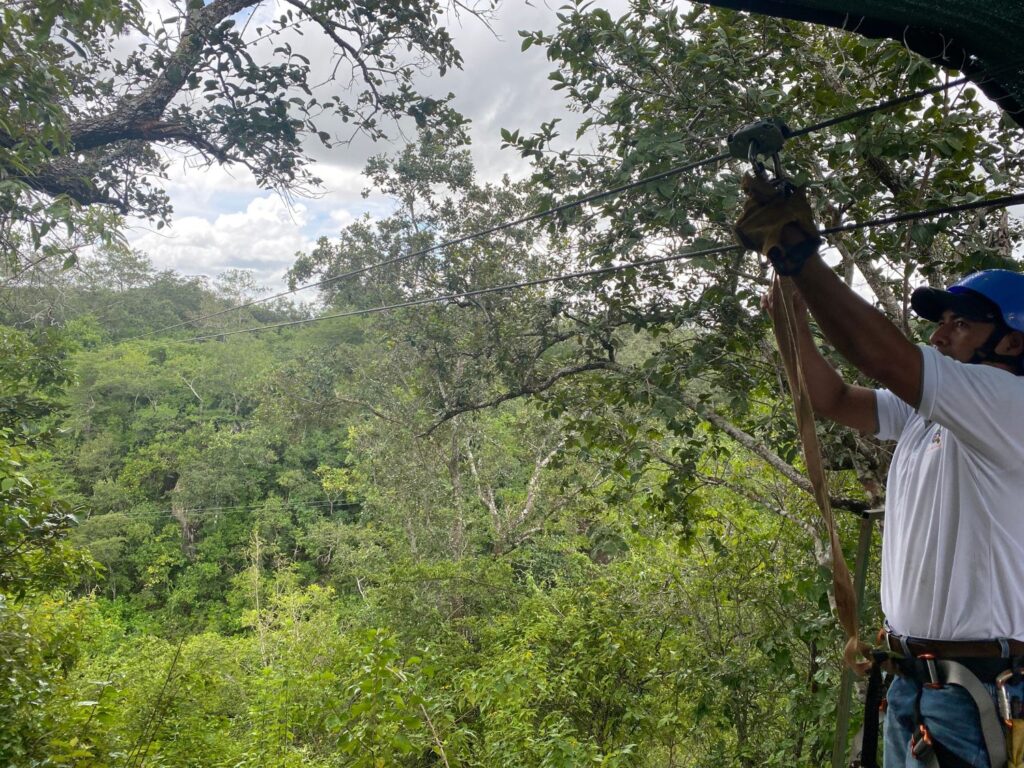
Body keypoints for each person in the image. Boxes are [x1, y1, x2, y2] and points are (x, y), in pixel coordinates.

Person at [734, 173, 1024, 767]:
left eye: (961, 323)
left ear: (1014, 344)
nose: (940, 334)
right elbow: (834, 399)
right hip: (917, 683)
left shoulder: (1009, 406)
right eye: (940, 320)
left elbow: (883, 356)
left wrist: (801, 257)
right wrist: (791, 323)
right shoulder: (934, 414)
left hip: (976, 690)